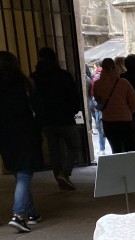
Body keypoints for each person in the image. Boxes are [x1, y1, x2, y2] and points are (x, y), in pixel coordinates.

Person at [0, 51, 42, 233]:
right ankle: (18, 215)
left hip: (4, 133)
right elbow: (36, 106)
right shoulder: (25, 83)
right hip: (24, 131)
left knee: (20, 173)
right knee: (24, 172)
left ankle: (32, 213)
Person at [30, 47, 82, 191]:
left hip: (46, 120)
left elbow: (33, 99)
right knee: (74, 145)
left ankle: (60, 177)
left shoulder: (34, 77)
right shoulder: (63, 75)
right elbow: (73, 96)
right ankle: (65, 173)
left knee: (54, 151)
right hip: (65, 117)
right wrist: (74, 111)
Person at [92, 57, 135, 154]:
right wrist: (127, 112)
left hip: (108, 121)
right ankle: (130, 168)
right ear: (114, 67)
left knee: (116, 149)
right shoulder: (123, 83)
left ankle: (119, 168)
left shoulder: (97, 84)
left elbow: (98, 100)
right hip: (125, 120)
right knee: (129, 148)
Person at [90, 60, 107, 155]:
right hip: (110, 107)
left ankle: (102, 148)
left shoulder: (95, 78)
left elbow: (93, 93)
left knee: (100, 129)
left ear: (97, 66)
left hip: (99, 107)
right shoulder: (112, 77)